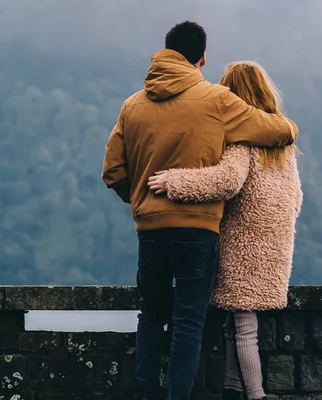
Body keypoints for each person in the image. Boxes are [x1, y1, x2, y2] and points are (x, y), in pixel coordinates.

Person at [101, 21, 298, 400]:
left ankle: (145, 392)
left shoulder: (132, 105)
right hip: (198, 231)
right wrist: (289, 126)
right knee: (189, 321)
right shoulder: (217, 100)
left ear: (166, 52)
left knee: (151, 314)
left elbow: (113, 171)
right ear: (202, 58)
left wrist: (143, 200)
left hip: (150, 231)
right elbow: (276, 131)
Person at [147, 61, 303, 400]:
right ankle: (233, 388)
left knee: (244, 326)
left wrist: (174, 180)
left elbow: (226, 181)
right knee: (238, 324)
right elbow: (296, 198)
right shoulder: (282, 147)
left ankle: (257, 395)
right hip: (275, 247)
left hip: (243, 245)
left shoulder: (242, 140)